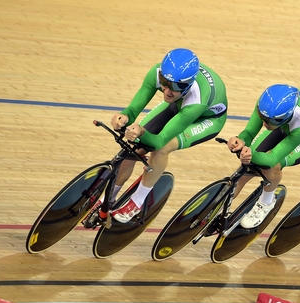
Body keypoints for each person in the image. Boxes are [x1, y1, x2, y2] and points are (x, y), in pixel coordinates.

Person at [92, 48, 228, 223]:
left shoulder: (198, 99)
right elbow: (133, 109)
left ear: (188, 83)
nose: (167, 91)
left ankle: (137, 202)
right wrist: (124, 116)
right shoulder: (159, 75)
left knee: (162, 148)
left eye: (176, 86)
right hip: (180, 104)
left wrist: (141, 132)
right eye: (164, 82)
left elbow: (159, 140)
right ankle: (108, 198)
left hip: (207, 119)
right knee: (133, 149)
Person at [227, 84, 300, 228]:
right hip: (285, 126)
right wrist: (241, 141)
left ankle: (266, 202)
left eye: (270, 121)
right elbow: (249, 132)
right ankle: (217, 206)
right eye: (263, 118)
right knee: (246, 169)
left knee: (272, 166)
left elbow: (272, 159)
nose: (265, 124)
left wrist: (252, 155)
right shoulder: (267, 106)